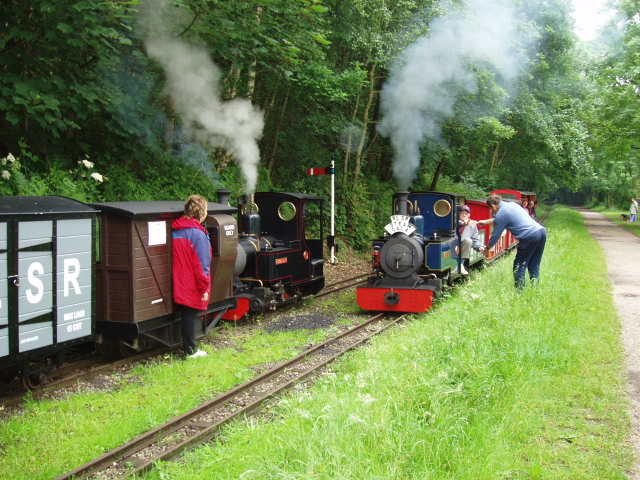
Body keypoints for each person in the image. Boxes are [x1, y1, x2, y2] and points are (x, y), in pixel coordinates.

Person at [172, 195, 212, 358]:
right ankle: (191, 350)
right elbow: (202, 264)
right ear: (201, 212)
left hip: (178, 278)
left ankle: (190, 347)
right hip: (192, 281)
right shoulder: (198, 235)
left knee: (185, 314)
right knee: (190, 314)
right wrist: (204, 286)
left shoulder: (175, 230)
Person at [479, 194, 547, 289]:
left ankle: (520, 293)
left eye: (491, 208)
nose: (492, 211)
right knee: (534, 264)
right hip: (541, 232)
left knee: (519, 266)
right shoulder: (512, 205)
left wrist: (487, 249)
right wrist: (486, 221)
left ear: (493, 205)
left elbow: (495, 235)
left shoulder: (501, 213)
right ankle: (535, 290)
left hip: (529, 236)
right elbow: (505, 218)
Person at [455, 204, 485, 275]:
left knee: (468, 240)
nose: (464, 215)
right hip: (452, 245)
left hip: (463, 246)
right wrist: (461, 224)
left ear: (469, 215)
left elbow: (475, 239)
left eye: (466, 213)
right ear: (458, 214)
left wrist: (479, 247)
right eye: (462, 213)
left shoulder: (472, 224)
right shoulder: (453, 222)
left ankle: (460, 265)